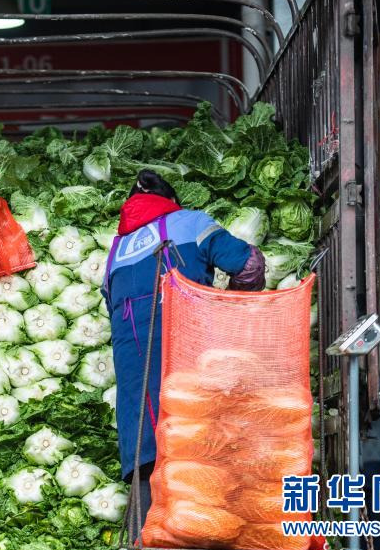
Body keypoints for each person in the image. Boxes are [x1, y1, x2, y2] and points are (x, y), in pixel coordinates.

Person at [101, 169, 265, 520]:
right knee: (205, 478)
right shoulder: (190, 223)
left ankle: (143, 537)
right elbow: (248, 264)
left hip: (138, 400)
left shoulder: (114, 253)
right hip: (192, 376)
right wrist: (232, 308)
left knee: (148, 490)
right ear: (171, 201)